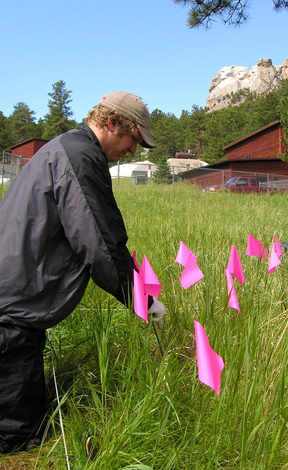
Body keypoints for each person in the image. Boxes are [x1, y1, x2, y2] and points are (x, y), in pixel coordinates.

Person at [0, 91, 165, 453]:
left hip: (13, 290)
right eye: (134, 140)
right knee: (18, 435)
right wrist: (142, 300)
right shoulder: (81, 156)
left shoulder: (65, 147)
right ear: (112, 123)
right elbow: (101, 243)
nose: (134, 151)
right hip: (12, 304)